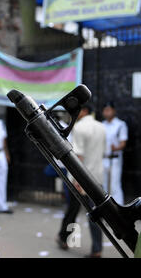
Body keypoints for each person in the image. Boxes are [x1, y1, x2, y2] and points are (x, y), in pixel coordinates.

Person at [56, 105, 106, 258]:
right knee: (96, 215)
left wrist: (77, 179)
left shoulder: (79, 127)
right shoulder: (102, 127)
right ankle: (97, 249)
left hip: (82, 179)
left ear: (83, 111)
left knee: (72, 210)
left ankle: (64, 239)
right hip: (97, 177)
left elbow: (79, 157)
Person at [102, 101, 128, 205]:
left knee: (114, 184)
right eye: (105, 110)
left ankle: (119, 206)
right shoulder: (101, 125)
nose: (106, 112)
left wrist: (116, 148)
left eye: (108, 110)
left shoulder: (120, 125)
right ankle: (106, 208)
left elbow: (123, 143)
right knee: (104, 185)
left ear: (114, 111)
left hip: (115, 158)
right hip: (103, 158)